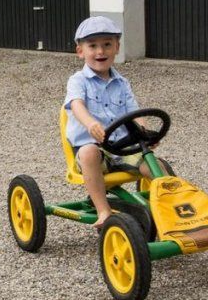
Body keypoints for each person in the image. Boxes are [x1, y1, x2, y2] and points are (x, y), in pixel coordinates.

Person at [64, 16, 163, 230]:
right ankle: (103, 210)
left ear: (117, 47)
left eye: (107, 45)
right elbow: (76, 105)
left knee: (155, 164)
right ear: (80, 51)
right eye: (93, 46)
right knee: (89, 152)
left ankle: (169, 208)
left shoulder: (122, 83)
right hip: (94, 151)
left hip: (122, 148)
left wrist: (144, 132)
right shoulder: (78, 81)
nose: (101, 52)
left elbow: (134, 112)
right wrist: (90, 124)